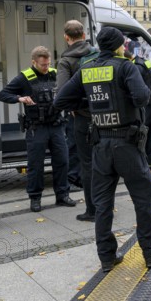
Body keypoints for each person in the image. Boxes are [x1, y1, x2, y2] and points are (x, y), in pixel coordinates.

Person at [54, 26, 151, 272]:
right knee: (143, 197)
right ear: (119, 45)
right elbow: (143, 98)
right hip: (127, 145)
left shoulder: (86, 70)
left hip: (100, 146)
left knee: (102, 204)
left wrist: (90, 104)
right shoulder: (125, 67)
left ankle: (106, 258)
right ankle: (150, 254)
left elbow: (60, 100)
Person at [0, 46, 76, 213]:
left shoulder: (56, 73)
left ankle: (62, 195)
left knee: (62, 161)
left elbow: (70, 90)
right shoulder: (24, 78)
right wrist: (20, 98)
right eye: (42, 65)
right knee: (36, 165)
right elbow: (3, 94)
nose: (46, 67)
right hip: (37, 128)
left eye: (48, 64)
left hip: (56, 125)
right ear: (33, 62)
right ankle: (35, 198)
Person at [55, 20, 97, 222]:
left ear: (66, 37)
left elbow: (62, 94)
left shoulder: (66, 61)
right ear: (84, 34)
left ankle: (92, 210)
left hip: (81, 119)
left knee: (87, 164)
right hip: (103, 116)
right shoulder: (96, 53)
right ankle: (106, 203)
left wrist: (73, 107)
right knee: (103, 162)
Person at [124, 47, 151, 168]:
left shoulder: (135, 67)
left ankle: (143, 163)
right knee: (150, 133)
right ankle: (149, 161)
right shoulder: (144, 61)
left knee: (142, 135)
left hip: (146, 105)